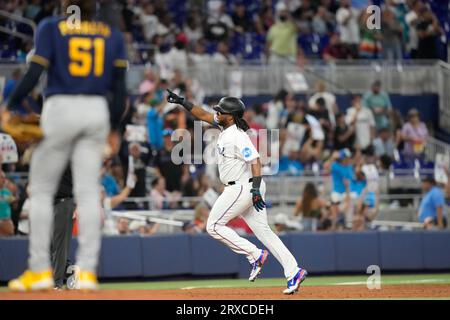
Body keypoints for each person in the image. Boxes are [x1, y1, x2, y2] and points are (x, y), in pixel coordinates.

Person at [5, 0, 127, 291]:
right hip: (96, 109)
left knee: (43, 190)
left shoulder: (50, 27)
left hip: (60, 106)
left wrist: (9, 105)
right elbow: (120, 88)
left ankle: (39, 270)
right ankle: (86, 272)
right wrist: (114, 128)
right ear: (92, 8)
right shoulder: (112, 34)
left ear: (65, 7)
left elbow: (34, 74)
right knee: (86, 192)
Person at [166, 90, 307, 294]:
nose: (217, 113)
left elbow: (256, 161)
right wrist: (183, 102)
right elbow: (204, 115)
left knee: (213, 226)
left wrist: (256, 190)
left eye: (220, 111)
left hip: (244, 186)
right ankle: (294, 271)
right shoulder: (226, 127)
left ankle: (254, 255)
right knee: (264, 232)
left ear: (230, 116)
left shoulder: (237, 136)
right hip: (245, 186)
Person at [0, 170, 15, 237]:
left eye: (4, 178)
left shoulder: (7, 191)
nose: (4, 179)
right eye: (2, 177)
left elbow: (14, 204)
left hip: (7, 220)